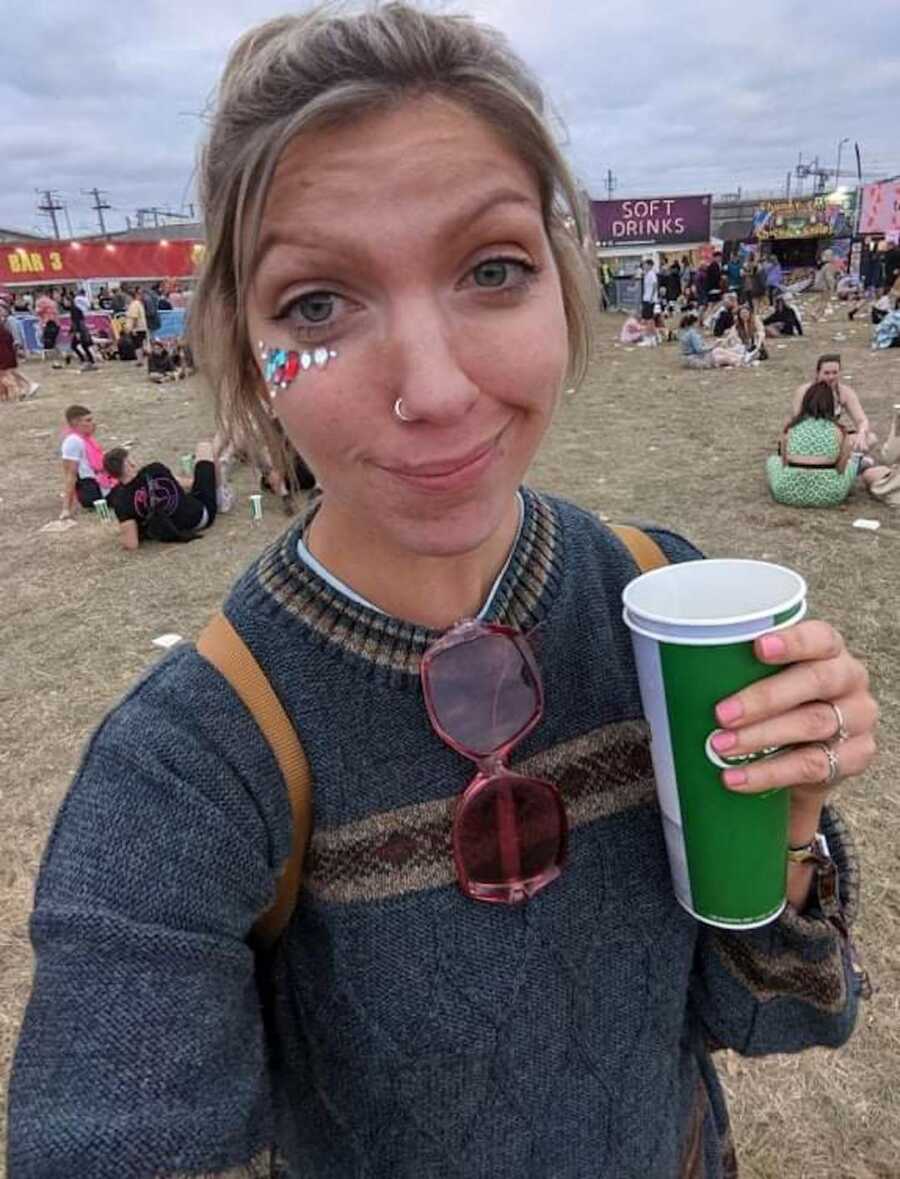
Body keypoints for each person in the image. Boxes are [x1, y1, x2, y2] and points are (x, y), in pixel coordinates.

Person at [8, 7, 877, 1177]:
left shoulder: (660, 596)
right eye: (316, 304)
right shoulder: (189, 764)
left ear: (566, 291)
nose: (434, 390)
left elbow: (775, 1018)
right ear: (243, 350)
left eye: (493, 270)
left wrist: (786, 827)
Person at [767, 381, 892, 508]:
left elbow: (784, 463)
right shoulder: (838, 431)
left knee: (772, 461)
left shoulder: (792, 428)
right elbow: (841, 469)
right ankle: (859, 462)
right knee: (851, 465)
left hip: (787, 492)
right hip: (829, 495)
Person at [103, 443, 219, 548]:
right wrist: (201, 481)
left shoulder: (120, 501)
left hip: (175, 530)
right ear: (129, 463)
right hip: (200, 514)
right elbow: (181, 483)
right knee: (204, 447)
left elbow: (131, 544)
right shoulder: (155, 469)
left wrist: (122, 537)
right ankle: (220, 489)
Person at [790, 354, 877, 453]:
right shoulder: (805, 391)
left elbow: (862, 420)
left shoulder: (844, 392)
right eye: (826, 373)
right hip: (809, 436)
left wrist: (862, 434)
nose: (831, 377)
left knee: (871, 438)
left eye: (835, 373)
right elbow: (796, 421)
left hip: (833, 436)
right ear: (818, 373)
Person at [59, 404, 112, 517]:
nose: (92, 424)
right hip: (91, 488)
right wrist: (66, 508)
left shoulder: (86, 438)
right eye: (88, 420)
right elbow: (70, 475)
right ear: (75, 423)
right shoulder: (73, 441)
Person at [0, 297, 39, 401]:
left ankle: (22, 388)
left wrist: (19, 348)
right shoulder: (4, 322)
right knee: (11, 372)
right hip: (6, 350)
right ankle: (25, 387)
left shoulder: (10, 321)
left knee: (7, 373)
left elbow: (15, 336)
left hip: (7, 351)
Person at [678, 311, 744, 368]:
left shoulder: (684, 332)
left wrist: (712, 345)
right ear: (695, 322)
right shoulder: (692, 334)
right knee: (719, 356)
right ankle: (740, 359)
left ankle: (740, 357)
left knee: (718, 351)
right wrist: (713, 346)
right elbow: (699, 349)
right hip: (695, 358)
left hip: (689, 358)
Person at [68, 288, 97, 371]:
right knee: (83, 345)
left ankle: (87, 361)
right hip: (81, 328)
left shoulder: (74, 309)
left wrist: (76, 332)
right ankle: (89, 361)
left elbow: (75, 320)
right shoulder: (77, 307)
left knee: (81, 345)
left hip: (80, 329)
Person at [126, 287, 149, 360]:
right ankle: (141, 359)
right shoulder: (139, 304)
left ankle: (139, 360)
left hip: (137, 328)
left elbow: (134, 317)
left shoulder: (134, 305)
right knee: (141, 344)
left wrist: (133, 329)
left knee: (137, 345)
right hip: (142, 327)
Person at [640, 256, 657, 323]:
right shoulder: (646, 274)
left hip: (649, 299)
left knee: (648, 317)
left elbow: (655, 285)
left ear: (649, 265)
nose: (644, 266)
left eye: (646, 265)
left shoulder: (652, 274)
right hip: (646, 297)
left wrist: (652, 297)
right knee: (645, 316)